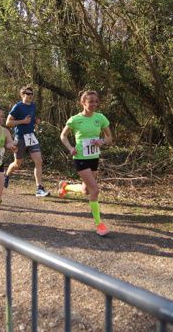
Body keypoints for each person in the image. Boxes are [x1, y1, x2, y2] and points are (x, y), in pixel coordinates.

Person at [59, 91, 113, 236]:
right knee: (95, 190)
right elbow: (63, 135)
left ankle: (66, 186)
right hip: (80, 158)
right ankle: (99, 224)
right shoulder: (75, 119)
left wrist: (101, 141)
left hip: (94, 157)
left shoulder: (100, 118)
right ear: (83, 103)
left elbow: (109, 137)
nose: (94, 104)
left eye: (96, 101)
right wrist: (70, 148)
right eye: (91, 102)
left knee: (86, 190)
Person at [5, 86, 50, 197]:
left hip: (31, 137)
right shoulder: (18, 106)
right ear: (22, 95)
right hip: (20, 138)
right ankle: (6, 175)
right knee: (17, 164)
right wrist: (22, 121)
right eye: (28, 93)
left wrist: (36, 121)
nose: (30, 96)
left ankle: (39, 188)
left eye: (31, 94)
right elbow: (8, 123)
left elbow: (32, 118)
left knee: (38, 161)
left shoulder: (33, 106)